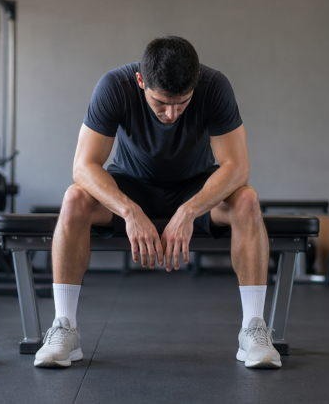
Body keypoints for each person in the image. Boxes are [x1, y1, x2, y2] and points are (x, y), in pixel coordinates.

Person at [35, 36, 280, 369]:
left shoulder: (214, 86)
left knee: (247, 198)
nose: (171, 114)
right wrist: (129, 210)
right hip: (131, 187)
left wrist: (189, 210)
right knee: (74, 197)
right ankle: (64, 328)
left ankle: (254, 329)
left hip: (195, 189)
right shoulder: (115, 86)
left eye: (182, 103)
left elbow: (237, 167)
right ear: (141, 81)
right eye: (161, 103)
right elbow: (84, 166)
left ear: (196, 82)